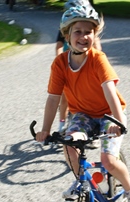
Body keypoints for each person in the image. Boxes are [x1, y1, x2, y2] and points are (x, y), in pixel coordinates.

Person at [36, 5, 130, 202]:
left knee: (108, 161)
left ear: (94, 35)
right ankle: (82, 182)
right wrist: (46, 130)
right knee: (68, 144)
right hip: (82, 115)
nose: (84, 36)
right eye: (78, 31)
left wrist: (117, 121)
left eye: (89, 31)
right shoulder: (59, 64)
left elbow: (110, 91)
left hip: (108, 114)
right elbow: (53, 99)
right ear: (67, 35)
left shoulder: (97, 59)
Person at [55, 0, 102, 138]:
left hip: (86, 67)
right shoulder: (66, 28)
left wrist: (97, 60)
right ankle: (62, 123)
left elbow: (98, 46)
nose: (83, 35)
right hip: (69, 66)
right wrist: (60, 62)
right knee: (64, 96)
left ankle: (95, 130)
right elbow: (58, 45)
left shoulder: (90, 31)